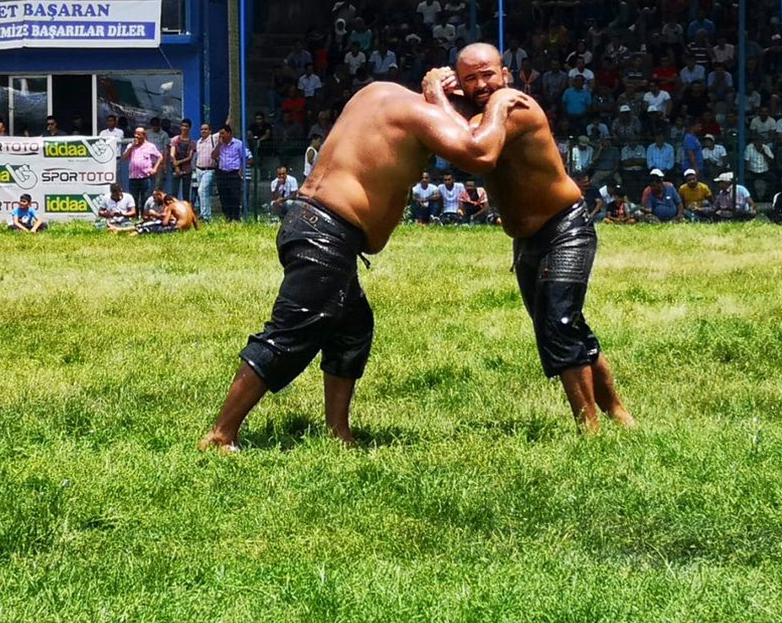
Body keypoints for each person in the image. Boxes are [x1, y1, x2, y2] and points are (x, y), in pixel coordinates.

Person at [200, 71, 529, 451]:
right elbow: (480, 154)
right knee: (291, 333)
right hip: (326, 233)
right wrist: (497, 106)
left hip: (310, 224)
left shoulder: (378, 92)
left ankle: (338, 432)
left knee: (353, 327)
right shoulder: (424, 116)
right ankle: (220, 433)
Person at [426, 43, 635, 433]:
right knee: (563, 323)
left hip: (565, 228)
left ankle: (589, 428)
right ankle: (618, 412)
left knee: (558, 322)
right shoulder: (481, 112)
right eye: (469, 78)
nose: (481, 83)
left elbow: (474, 151)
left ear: (505, 73)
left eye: (487, 73)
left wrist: (437, 95)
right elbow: (456, 129)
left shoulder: (511, 104)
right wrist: (443, 97)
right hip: (527, 240)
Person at [213, 124, 251, 222]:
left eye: (223, 133)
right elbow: (213, 156)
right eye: (220, 134)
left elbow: (246, 157)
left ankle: (235, 216)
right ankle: (227, 216)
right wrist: (219, 145)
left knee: (234, 195)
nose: (221, 136)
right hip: (222, 172)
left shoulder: (238, 144)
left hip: (234, 173)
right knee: (223, 195)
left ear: (229, 133)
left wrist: (241, 169)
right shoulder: (219, 145)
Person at [121, 126, 164, 210]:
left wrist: (155, 169)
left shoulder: (150, 146)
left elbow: (160, 157)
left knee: (145, 197)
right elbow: (124, 157)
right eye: (135, 134)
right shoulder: (131, 145)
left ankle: (145, 215)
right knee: (134, 198)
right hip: (133, 177)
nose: (136, 136)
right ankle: (135, 215)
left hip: (145, 177)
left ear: (144, 135)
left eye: (139, 134)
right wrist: (132, 146)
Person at [193, 122, 218, 221]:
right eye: (202, 129)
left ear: (210, 131)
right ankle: (204, 213)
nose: (203, 131)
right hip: (199, 169)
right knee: (202, 193)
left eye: (206, 129)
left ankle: (207, 216)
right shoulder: (198, 142)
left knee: (202, 190)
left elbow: (225, 127)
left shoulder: (213, 138)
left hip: (209, 170)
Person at [168, 119, 195, 202]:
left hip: (187, 170)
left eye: (186, 126)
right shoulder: (175, 140)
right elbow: (172, 154)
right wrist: (176, 167)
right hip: (175, 169)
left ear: (189, 128)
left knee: (186, 194)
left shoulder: (192, 142)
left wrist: (178, 162)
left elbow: (190, 157)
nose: (184, 128)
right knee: (174, 192)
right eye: (183, 126)